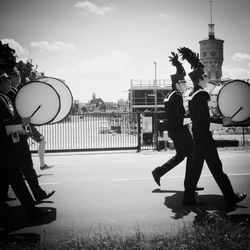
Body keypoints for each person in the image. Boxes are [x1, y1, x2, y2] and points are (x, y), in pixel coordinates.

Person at [178, 47, 247, 205]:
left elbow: (200, 117)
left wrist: (218, 118)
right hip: (205, 140)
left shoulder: (192, 95)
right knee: (217, 170)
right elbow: (204, 120)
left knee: (195, 171)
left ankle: (188, 198)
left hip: (197, 138)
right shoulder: (202, 94)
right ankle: (230, 197)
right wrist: (223, 122)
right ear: (200, 79)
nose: (206, 76)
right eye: (204, 75)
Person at [0, 70, 50, 219]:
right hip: (5, 147)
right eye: (7, 80)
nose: (10, 82)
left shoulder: (5, 99)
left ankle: (30, 210)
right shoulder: (1, 99)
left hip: (9, 145)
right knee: (16, 178)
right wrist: (20, 124)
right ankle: (32, 211)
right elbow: (2, 125)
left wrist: (20, 127)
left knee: (13, 177)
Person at [152, 52, 203, 191]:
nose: (185, 84)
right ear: (177, 84)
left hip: (174, 130)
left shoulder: (171, 95)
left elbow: (176, 114)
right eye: (183, 82)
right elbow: (181, 116)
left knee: (181, 155)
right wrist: (194, 115)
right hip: (180, 130)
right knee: (192, 154)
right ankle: (190, 185)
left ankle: (158, 172)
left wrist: (179, 67)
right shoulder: (177, 96)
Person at [6, 67, 55, 202]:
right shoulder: (11, 94)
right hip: (16, 135)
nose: (18, 78)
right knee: (25, 167)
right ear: (9, 79)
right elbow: (14, 115)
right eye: (15, 76)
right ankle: (38, 195)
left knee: (12, 169)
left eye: (18, 76)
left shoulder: (14, 93)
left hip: (18, 133)